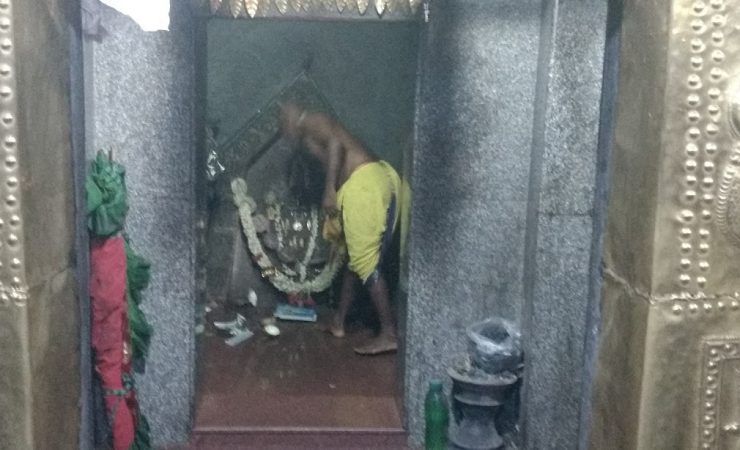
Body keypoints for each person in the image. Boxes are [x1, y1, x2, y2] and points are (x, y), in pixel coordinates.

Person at [279, 103, 401, 355]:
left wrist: (329, 190)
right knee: (352, 261)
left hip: (364, 184)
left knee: (366, 262)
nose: (284, 133)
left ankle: (389, 334)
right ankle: (339, 323)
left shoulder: (310, 120)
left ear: (290, 116)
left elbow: (336, 143)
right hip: (374, 180)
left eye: (282, 125)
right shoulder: (308, 133)